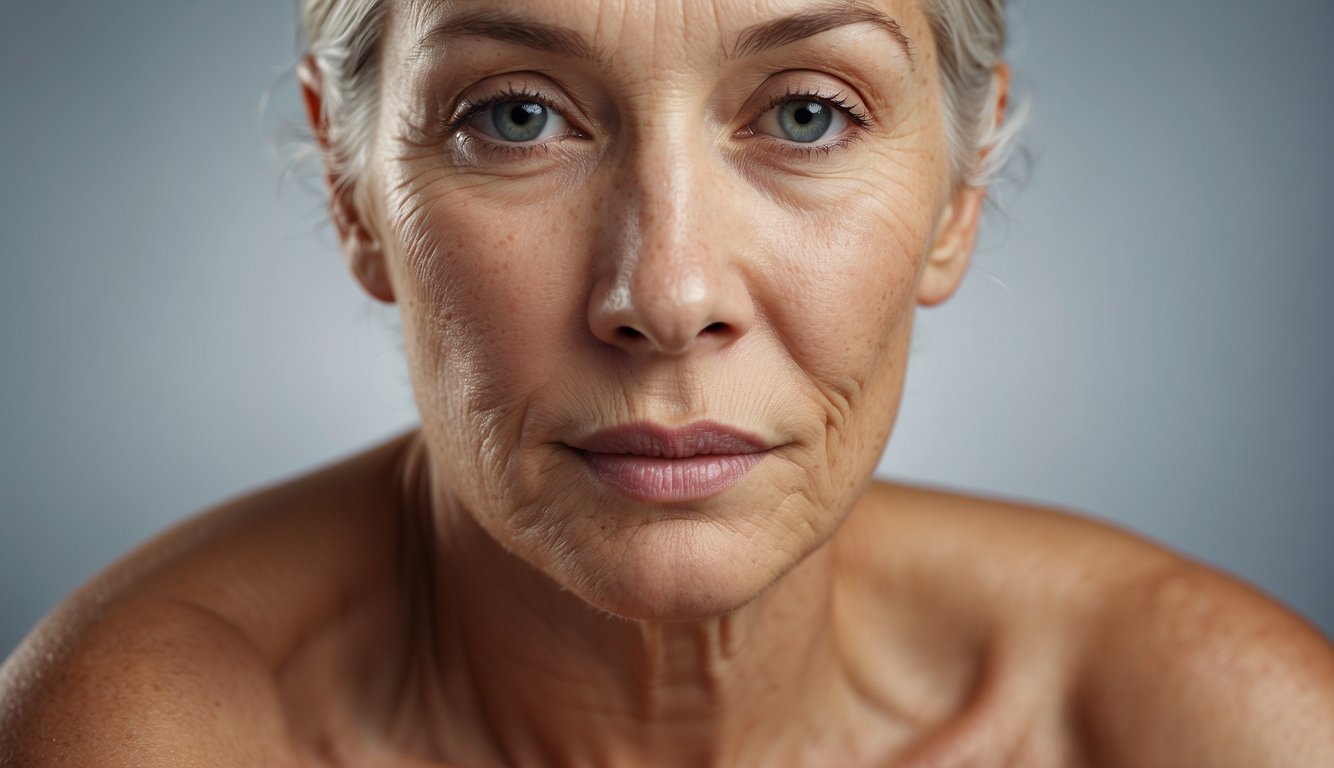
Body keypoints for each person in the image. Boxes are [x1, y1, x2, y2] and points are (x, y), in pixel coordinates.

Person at [2, 0, 1332, 764]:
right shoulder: (160, 733)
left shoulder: (1198, 721)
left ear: (956, 191)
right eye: (514, 115)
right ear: (356, 191)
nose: (670, 294)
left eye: (806, 112)